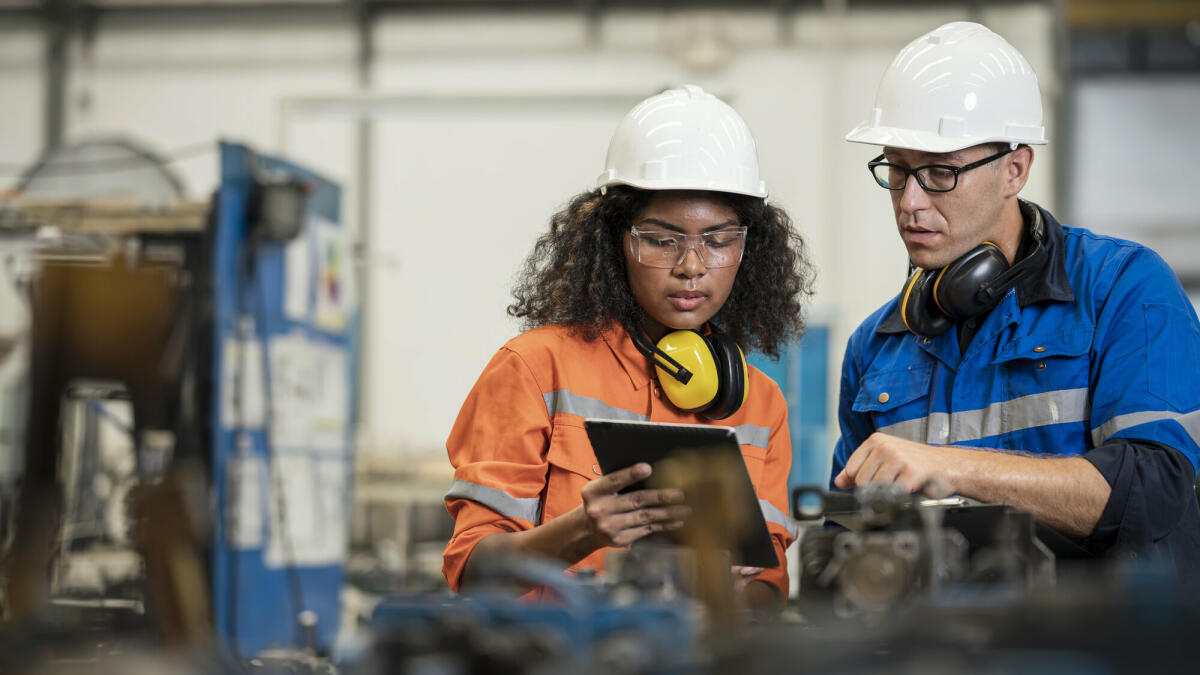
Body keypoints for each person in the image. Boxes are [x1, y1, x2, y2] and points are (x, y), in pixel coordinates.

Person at [832, 21, 1200, 570]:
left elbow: (1152, 494)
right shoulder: (876, 345)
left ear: (1015, 169)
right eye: (898, 170)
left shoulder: (1122, 288)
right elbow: (845, 536)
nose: (910, 202)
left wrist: (953, 468)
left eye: (938, 173)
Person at [441, 85, 814, 608]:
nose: (692, 265)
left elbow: (771, 591)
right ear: (616, 240)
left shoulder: (760, 403)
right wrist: (582, 530)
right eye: (663, 240)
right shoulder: (534, 368)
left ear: (748, 247)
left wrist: (731, 593)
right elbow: (471, 570)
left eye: (719, 240)